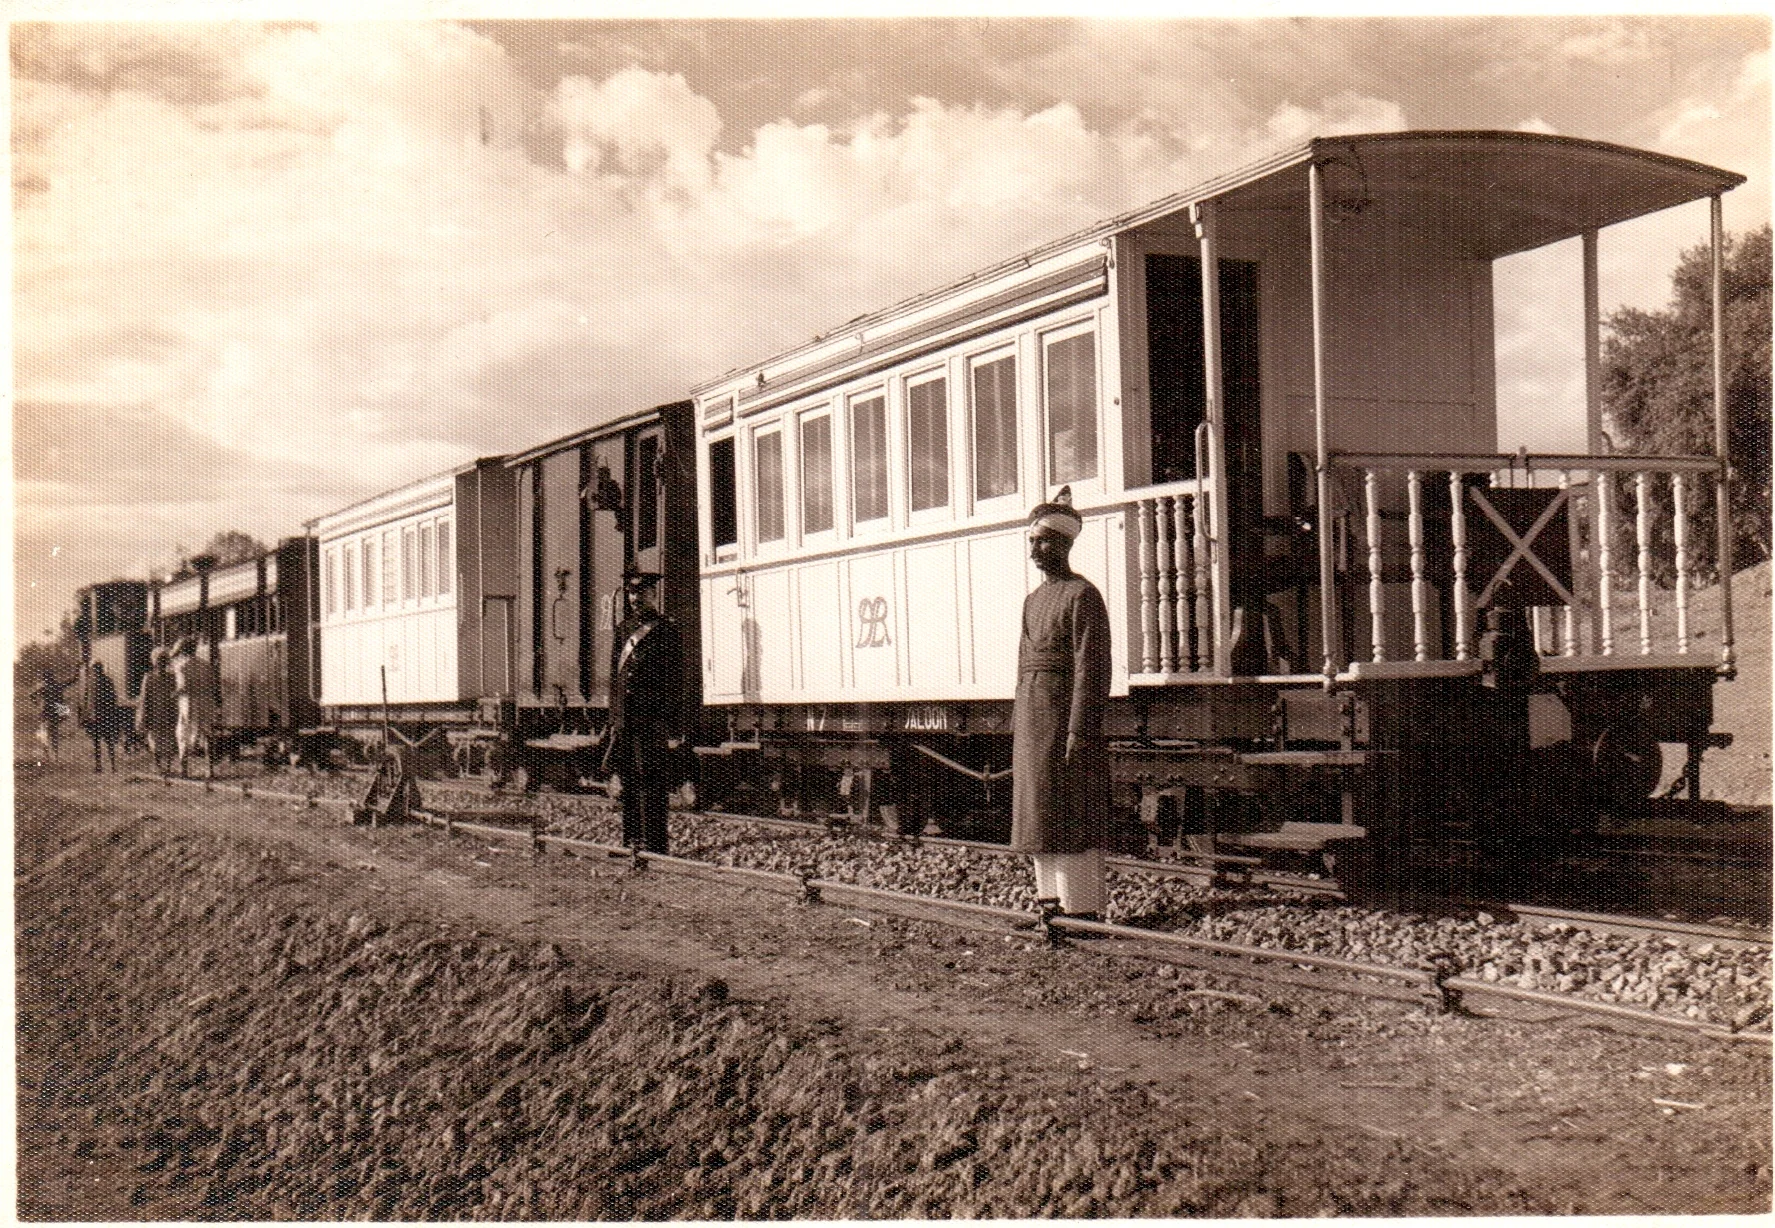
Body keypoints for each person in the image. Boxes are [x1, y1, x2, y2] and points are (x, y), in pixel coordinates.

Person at [1010, 486, 1113, 921]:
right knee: (1039, 815)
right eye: (1032, 541)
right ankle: (1049, 905)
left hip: (1066, 726)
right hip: (1034, 725)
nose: (1035, 550)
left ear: (1065, 544)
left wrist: (1079, 729)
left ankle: (1081, 910)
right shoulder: (1032, 601)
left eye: (1044, 541)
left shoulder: (1082, 595)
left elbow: (1093, 669)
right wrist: (1020, 726)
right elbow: (1023, 669)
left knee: (1071, 815)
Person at [605, 569, 685, 854]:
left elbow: (675, 680)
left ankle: (655, 844)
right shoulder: (623, 629)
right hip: (626, 719)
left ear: (653, 594)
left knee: (652, 779)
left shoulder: (665, 630)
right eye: (631, 592)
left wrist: (671, 721)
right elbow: (615, 678)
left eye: (641, 592)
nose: (635, 597)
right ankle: (631, 842)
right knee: (628, 780)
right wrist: (614, 719)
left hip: (651, 719)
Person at [173, 637, 218, 779]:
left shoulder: (181, 666)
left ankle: (184, 769)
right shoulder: (205, 665)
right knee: (207, 735)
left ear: (182, 651)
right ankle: (210, 769)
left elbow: (183, 687)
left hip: (189, 704)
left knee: (183, 735)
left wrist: (173, 694)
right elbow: (212, 685)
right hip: (206, 702)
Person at [137, 647, 180, 774]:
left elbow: (175, 694)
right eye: (158, 661)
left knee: (170, 738)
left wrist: (175, 708)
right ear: (154, 662)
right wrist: (144, 714)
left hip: (168, 710)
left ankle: (168, 765)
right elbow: (145, 697)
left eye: (163, 660)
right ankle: (158, 764)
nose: (161, 663)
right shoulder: (149, 678)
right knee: (155, 739)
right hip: (155, 711)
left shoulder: (172, 677)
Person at [75, 660, 121, 773]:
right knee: (105, 742)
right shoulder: (105, 681)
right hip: (102, 716)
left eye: (96, 669)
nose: (96, 671)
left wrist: (85, 715)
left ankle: (103, 766)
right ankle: (109, 766)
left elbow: (87, 700)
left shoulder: (92, 681)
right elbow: (113, 698)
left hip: (98, 716)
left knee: (99, 742)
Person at [33, 669, 68, 759]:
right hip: (54, 712)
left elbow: (32, 696)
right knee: (54, 733)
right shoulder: (57, 685)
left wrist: (37, 704)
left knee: (45, 733)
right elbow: (62, 699)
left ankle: (48, 754)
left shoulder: (44, 687)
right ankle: (55, 754)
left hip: (46, 711)